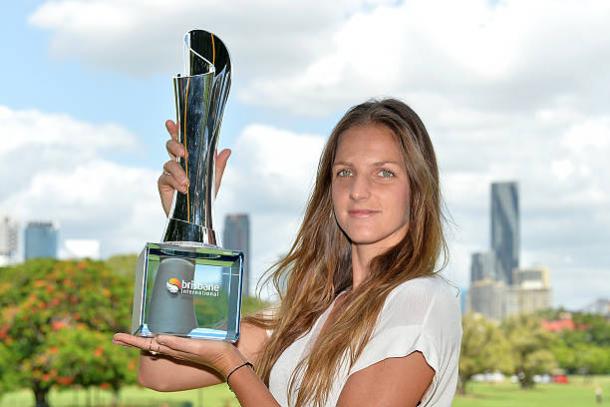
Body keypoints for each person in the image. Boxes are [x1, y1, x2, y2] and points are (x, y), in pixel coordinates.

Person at [113, 98, 462, 406]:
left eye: (384, 173)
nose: (358, 190)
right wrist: (189, 221)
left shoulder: (419, 300)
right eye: (345, 172)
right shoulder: (309, 311)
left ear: (417, 189)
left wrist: (234, 368)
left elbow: (221, 363)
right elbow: (159, 373)